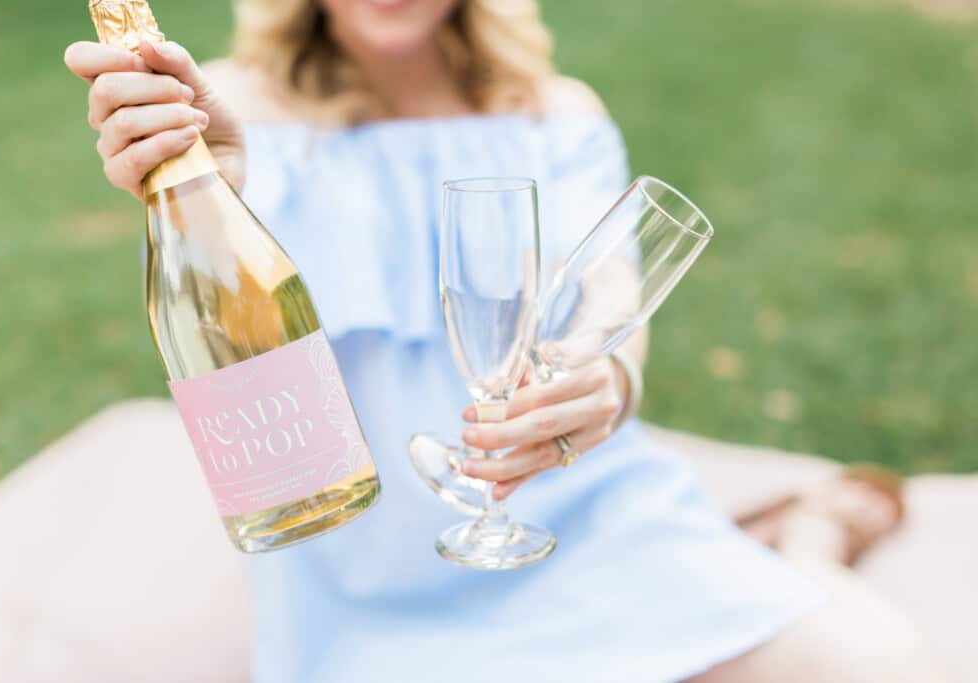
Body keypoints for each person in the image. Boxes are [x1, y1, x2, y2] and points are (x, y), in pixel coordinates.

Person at [64, 1, 944, 680]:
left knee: (873, 662)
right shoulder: (231, 111)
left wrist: (609, 390)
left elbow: (610, 310)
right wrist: (206, 182)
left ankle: (808, 539)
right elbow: (226, 309)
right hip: (365, 562)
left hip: (580, 518)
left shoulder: (554, 112)